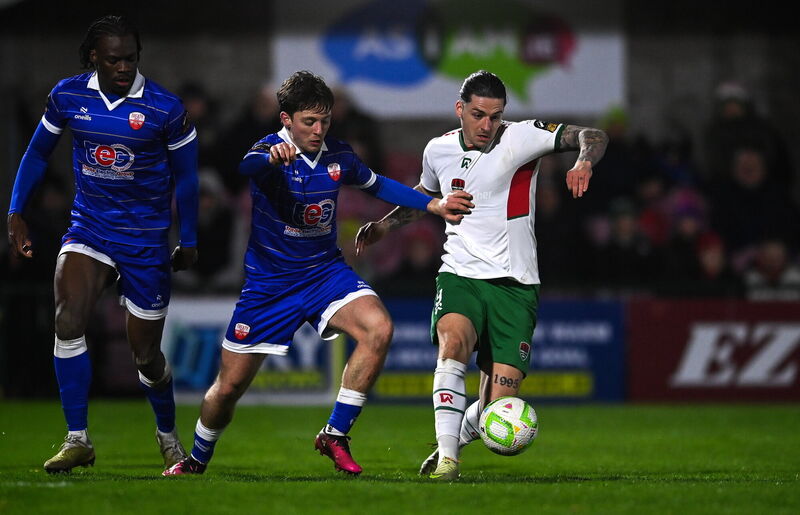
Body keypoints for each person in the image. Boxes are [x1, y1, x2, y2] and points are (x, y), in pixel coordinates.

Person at [162, 70, 471, 477]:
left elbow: (378, 186)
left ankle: (335, 433)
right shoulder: (268, 151)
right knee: (229, 388)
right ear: (286, 119)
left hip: (325, 274)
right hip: (270, 287)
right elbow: (246, 164)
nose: (318, 129)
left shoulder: (338, 156)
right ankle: (197, 458)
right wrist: (270, 157)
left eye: (324, 120)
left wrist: (431, 206)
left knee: (379, 329)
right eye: (309, 121)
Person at [355, 70, 608, 480]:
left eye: (495, 116)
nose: (487, 125)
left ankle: (455, 440)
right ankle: (448, 458)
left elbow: (593, 135)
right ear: (460, 110)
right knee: (452, 342)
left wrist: (582, 161)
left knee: (498, 410)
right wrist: (384, 226)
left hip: (516, 285)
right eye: (478, 115)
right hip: (461, 274)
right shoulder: (437, 150)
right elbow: (423, 196)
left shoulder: (523, 136)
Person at [6, 15, 199, 473]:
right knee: (67, 317)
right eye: (114, 59)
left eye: (131, 58)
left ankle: (168, 436)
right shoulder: (68, 95)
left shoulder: (164, 109)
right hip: (89, 228)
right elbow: (37, 153)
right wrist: (16, 210)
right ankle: (78, 439)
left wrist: (188, 238)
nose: (124, 67)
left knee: (146, 357)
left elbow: (188, 177)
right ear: (93, 56)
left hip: (145, 239)